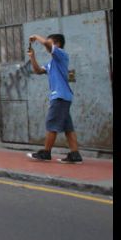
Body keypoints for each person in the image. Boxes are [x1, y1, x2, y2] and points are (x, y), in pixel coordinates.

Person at [26, 34, 83, 164]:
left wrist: (36, 37)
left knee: (51, 123)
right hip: (63, 97)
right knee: (68, 127)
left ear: (57, 44)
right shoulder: (52, 62)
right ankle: (75, 155)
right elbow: (38, 71)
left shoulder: (61, 54)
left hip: (60, 96)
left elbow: (46, 43)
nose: (47, 44)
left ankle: (46, 153)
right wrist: (32, 57)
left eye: (50, 42)